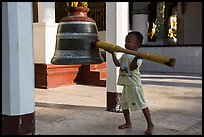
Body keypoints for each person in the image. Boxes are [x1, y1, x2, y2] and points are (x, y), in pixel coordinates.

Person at [108, 31, 154, 135]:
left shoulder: (138, 57)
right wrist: (112, 53)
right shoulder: (125, 55)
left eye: (129, 41)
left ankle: (150, 124)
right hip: (126, 85)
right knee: (124, 105)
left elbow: (132, 68)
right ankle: (128, 123)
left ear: (137, 45)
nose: (126, 44)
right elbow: (117, 64)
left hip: (134, 86)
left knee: (142, 104)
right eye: (125, 41)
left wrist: (137, 57)